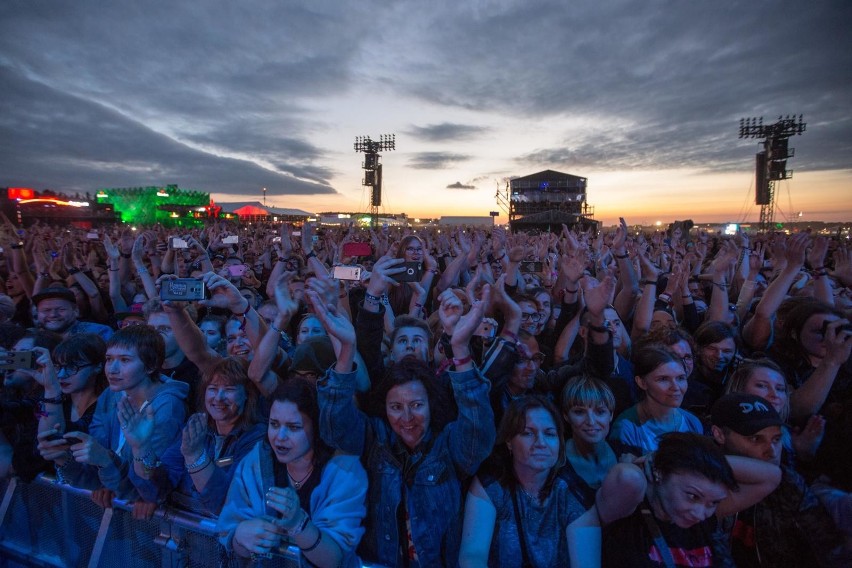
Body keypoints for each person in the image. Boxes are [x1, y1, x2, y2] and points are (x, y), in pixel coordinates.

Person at [316, 285, 496, 567]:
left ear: (430, 403)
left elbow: (478, 432)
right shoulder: (375, 437)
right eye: (396, 407)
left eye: (416, 405)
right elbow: (334, 429)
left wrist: (459, 347)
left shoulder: (448, 444)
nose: (407, 418)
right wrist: (346, 351)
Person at [217, 379, 367, 567]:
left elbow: (335, 559)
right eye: (274, 424)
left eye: (293, 427)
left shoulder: (345, 472)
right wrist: (240, 537)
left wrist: (299, 525)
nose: (280, 437)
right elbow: (231, 539)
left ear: (316, 428)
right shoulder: (256, 461)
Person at [710, 393, 852, 567]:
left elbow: (828, 547)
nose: (771, 451)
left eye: (776, 439)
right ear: (720, 435)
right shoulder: (700, 487)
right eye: (755, 439)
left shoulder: (788, 484)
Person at [601, 432, 782, 568]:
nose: (700, 514)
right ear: (660, 473)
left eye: (713, 503)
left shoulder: (701, 513)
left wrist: (709, 462)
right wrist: (662, 458)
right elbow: (626, 476)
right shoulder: (628, 506)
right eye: (692, 496)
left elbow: (771, 476)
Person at [54, 326, 189, 502]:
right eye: (109, 359)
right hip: (120, 505)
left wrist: (106, 463)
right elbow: (96, 470)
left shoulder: (168, 407)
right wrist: (64, 459)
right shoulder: (111, 394)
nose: (112, 369)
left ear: (150, 366)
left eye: (125, 360)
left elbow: (145, 489)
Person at [126, 357, 266, 516]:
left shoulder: (257, 438)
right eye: (213, 388)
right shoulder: (197, 426)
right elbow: (155, 491)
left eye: (229, 389)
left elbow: (225, 504)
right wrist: (141, 448)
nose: (218, 397)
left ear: (247, 394)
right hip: (182, 533)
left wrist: (195, 456)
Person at [458, 396, 587, 567]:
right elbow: (472, 555)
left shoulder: (572, 493)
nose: (541, 443)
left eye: (549, 434)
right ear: (509, 441)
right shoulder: (491, 485)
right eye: (528, 433)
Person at [609, 346, 703, 457]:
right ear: (642, 383)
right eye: (663, 379)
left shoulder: (692, 422)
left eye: (681, 378)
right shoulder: (626, 428)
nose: (675, 387)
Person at [35, 334, 108, 471]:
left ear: (98, 367)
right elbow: (47, 444)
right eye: (58, 367)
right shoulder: (56, 399)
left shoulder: (108, 405)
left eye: (73, 367)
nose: (62, 375)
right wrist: (50, 390)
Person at [559, 376, 619, 509]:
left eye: (600, 412)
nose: (591, 421)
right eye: (579, 412)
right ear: (566, 415)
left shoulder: (628, 455)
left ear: (611, 415)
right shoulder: (555, 463)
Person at [32, 286, 113, 341]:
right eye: (46, 310)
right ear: (37, 313)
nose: (53, 314)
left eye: (61, 309)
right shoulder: (30, 339)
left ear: (76, 311)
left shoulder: (98, 333)